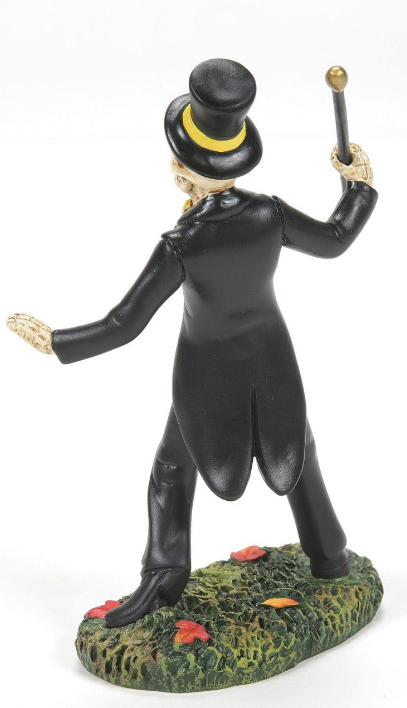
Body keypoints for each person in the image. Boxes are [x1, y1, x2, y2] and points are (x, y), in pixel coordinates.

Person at [7, 59, 378, 628]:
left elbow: (123, 323)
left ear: (186, 171)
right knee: (297, 449)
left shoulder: (181, 243)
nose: (173, 165)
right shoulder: (269, 213)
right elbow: (334, 239)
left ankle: (164, 574)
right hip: (273, 361)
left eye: (177, 159)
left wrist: (57, 342)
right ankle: (329, 554)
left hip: (206, 375)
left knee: (171, 470)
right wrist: (359, 186)